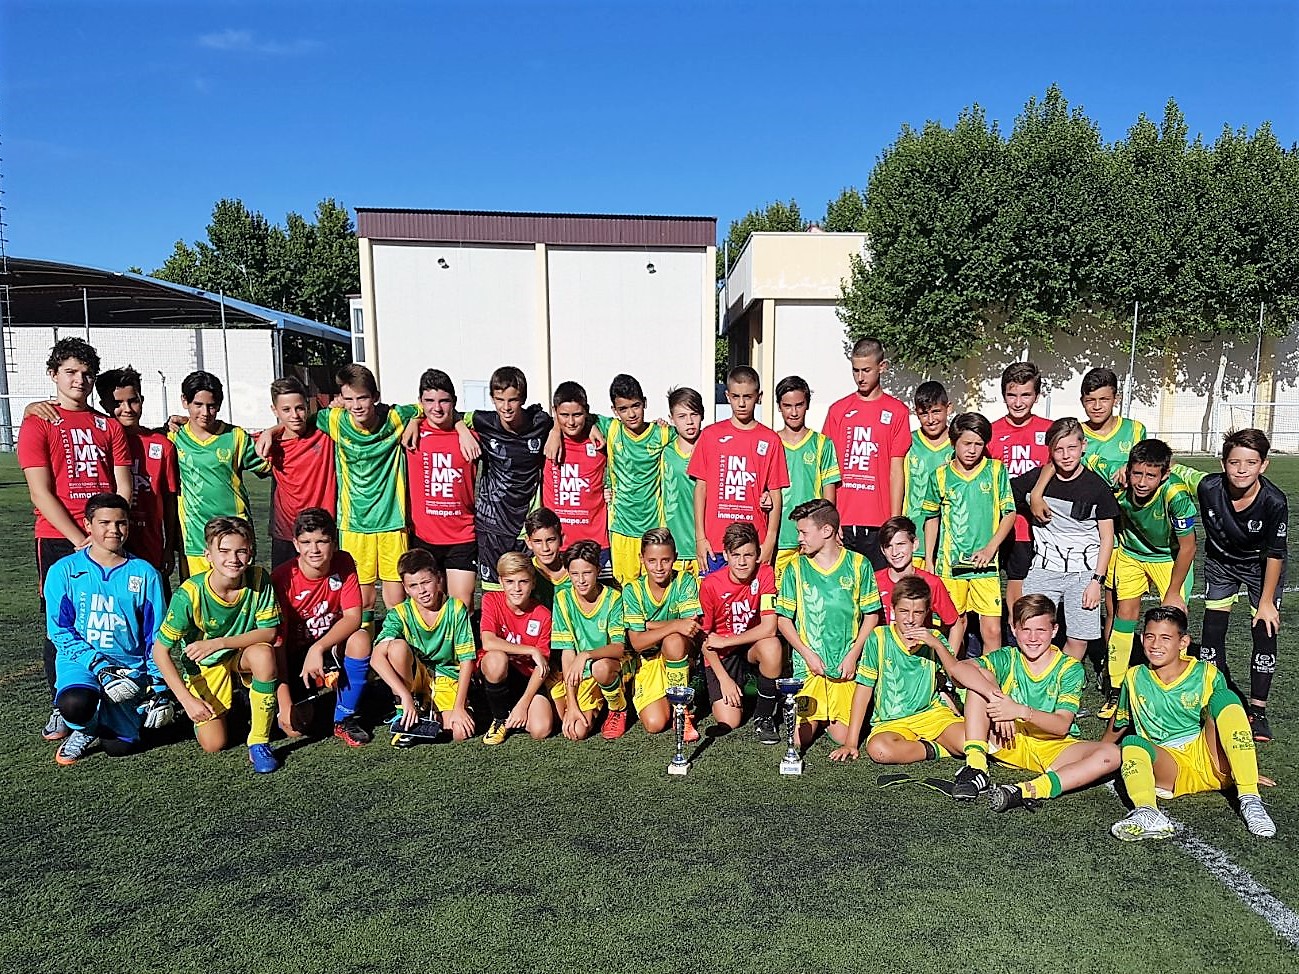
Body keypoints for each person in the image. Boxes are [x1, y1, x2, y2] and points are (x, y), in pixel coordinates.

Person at [19, 338, 132, 740]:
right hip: (58, 539)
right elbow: (39, 491)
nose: (79, 380)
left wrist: (110, 532)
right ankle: (60, 704)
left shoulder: (109, 426)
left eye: (86, 374)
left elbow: (122, 487)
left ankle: (125, 695)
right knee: (61, 623)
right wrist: (79, 539)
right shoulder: (38, 422)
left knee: (111, 618)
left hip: (107, 538)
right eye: (70, 372)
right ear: (54, 375)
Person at [1104, 606, 1276, 841]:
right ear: (1142, 638)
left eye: (1166, 638)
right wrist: (1100, 751)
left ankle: (1249, 799)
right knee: (1132, 742)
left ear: (1183, 642)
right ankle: (1147, 812)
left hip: (1210, 759)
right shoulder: (1133, 677)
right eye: (1150, 636)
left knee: (1225, 698)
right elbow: (1120, 720)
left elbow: (1230, 722)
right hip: (1170, 769)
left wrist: (1247, 768)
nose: (1155, 645)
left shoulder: (1207, 673)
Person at [937, 594, 1120, 809]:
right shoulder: (1008, 656)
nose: (1033, 638)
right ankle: (976, 767)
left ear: (1054, 631)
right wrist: (996, 696)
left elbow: (1061, 726)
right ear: (1014, 630)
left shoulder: (1069, 668)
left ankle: (1028, 789)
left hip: (1053, 746)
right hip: (1008, 738)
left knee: (1112, 755)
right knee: (980, 679)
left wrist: (1019, 711)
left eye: (1041, 630)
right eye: (1026, 630)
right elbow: (958, 670)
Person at [1175, 429, 1288, 742]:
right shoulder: (1208, 486)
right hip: (1221, 564)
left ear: (1263, 465)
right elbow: (1170, 466)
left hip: (1260, 568)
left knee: (1264, 631)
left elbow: (1276, 554)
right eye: (1234, 462)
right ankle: (1219, 699)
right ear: (1222, 463)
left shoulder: (1274, 501)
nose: (1242, 469)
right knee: (1212, 632)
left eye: (1251, 462)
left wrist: (1266, 602)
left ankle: (1258, 711)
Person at [293, 364, 422, 634]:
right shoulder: (334, 420)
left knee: (395, 597)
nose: (356, 405)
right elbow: (297, 422)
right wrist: (270, 432)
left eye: (362, 398)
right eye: (348, 399)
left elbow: (423, 407)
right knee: (361, 600)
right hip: (354, 524)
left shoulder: (396, 418)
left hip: (391, 522)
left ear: (375, 396)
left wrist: (415, 420)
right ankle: (364, 658)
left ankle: (397, 649)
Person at [44, 493, 170, 765]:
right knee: (75, 703)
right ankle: (83, 729)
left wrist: (159, 687)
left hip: (128, 669)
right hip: (82, 664)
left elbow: (155, 635)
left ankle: (119, 712)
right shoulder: (63, 570)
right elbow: (60, 631)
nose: (114, 530)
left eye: (121, 523)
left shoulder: (145, 573)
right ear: (88, 525)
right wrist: (100, 667)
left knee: (120, 748)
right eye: (105, 523)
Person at [151, 516, 283, 773]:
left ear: (251, 553)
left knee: (264, 656)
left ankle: (258, 742)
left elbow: (269, 632)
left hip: (239, 653)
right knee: (215, 744)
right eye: (223, 551)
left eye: (241, 551)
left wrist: (219, 643)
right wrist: (187, 700)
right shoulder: (189, 594)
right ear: (208, 555)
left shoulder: (258, 579)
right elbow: (160, 651)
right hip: (205, 666)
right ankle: (238, 701)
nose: (233, 559)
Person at [1090, 439, 1198, 719]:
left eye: (1151, 475)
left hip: (1168, 559)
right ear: (1128, 469)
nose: (1141, 481)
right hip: (1130, 554)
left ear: (1164, 475)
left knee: (1173, 618)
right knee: (1124, 616)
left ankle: (1175, 688)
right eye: (1137, 473)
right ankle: (1115, 690)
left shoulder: (1176, 495)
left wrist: (1174, 591)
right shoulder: (1118, 479)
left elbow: (1188, 547)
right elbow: (1085, 457)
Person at [776, 499, 881, 750]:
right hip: (810, 670)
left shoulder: (859, 564)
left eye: (803, 532)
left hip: (844, 670)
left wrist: (854, 655)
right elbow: (783, 621)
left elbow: (872, 616)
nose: (799, 538)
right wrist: (807, 654)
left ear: (826, 531)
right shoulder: (795, 567)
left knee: (844, 737)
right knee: (798, 739)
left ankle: (828, 713)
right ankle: (817, 712)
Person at [828, 575, 964, 765]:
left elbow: (958, 678)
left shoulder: (934, 638)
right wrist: (851, 743)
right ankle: (934, 748)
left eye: (917, 612)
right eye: (903, 611)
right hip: (891, 723)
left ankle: (933, 744)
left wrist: (939, 647)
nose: (910, 619)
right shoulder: (879, 637)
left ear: (926, 613)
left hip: (933, 716)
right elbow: (863, 689)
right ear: (893, 609)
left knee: (970, 741)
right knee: (879, 750)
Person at [1016, 417, 1119, 661]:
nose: (1065, 455)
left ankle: (1065, 678)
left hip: (1084, 574)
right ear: (1050, 451)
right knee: (1031, 627)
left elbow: (1107, 539)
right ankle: (1036, 677)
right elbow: (1003, 490)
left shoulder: (1097, 488)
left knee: (1078, 637)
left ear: (1083, 446)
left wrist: (1096, 581)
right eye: (1058, 449)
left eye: (1072, 448)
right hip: (1044, 567)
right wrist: (1038, 493)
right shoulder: (1035, 479)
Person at [271, 507, 372, 747]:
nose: (314, 549)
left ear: (334, 542)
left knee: (360, 639)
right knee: (296, 729)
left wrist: (317, 648)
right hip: (293, 657)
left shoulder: (344, 561)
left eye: (322, 541)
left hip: (326, 649)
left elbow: (353, 618)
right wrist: (285, 703)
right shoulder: (282, 579)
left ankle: (344, 718)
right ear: (296, 544)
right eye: (306, 542)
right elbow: (278, 644)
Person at [920, 412, 1016, 658]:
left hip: (986, 567)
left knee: (993, 630)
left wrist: (990, 549)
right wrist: (930, 560)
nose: (972, 450)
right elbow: (931, 518)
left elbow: (1009, 513)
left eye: (978, 444)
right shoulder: (940, 476)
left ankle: (990, 684)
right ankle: (951, 682)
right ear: (954, 442)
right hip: (951, 567)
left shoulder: (995, 471)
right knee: (954, 626)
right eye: (967, 443)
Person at [369, 548, 477, 745]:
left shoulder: (455, 608)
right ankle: (406, 709)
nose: (422, 591)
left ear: (438, 579)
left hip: (446, 676)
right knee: (396, 648)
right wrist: (404, 696)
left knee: (461, 732)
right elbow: (376, 657)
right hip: (415, 678)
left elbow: (467, 660)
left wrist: (460, 706)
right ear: (405, 587)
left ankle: (429, 717)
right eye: (414, 585)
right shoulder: (399, 613)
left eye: (426, 582)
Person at [690, 366, 790, 575]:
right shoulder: (710, 435)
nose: (742, 403)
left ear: (759, 397)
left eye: (748, 396)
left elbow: (775, 492)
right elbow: (701, 489)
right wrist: (700, 537)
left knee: (753, 607)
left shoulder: (770, 440)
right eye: (735, 396)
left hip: (754, 546)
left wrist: (770, 539)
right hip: (715, 546)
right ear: (727, 396)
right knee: (713, 605)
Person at [821, 337, 911, 569]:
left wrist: (894, 521)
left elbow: (896, 470)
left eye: (866, 370)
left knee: (880, 594)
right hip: (843, 522)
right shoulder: (838, 410)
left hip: (878, 524)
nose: (860, 377)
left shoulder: (897, 411)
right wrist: (829, 518)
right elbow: (827, 471)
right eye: (855, 370)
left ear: (882, 367)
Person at [170, 370, 270, 577]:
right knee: (199, 598)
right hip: (195, 535)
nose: (205, 412)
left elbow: (270, 465)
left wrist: (274, 430)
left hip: (236, 532)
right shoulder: (173, 438)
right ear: (184, 401)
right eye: (198, 405)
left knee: (239, 595)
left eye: (211, 406)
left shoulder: (236, 437)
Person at [462, 366, 554, 590]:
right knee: (495, 592)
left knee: (527, 590)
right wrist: (461, 430)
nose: (506, 407)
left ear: (522, 398)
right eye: (500, 399)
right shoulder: (482, 420)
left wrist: (556, 432)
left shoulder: (540, 423)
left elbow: (565, 417)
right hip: (492, 522)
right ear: (492, 399)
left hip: (526, 523)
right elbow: (451, 416)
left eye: (512, 400)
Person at [91, 367, 180, 583]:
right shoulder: (97, 442)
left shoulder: (162, 445)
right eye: (117, 404)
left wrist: (169, 548)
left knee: (154, 613)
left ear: (142, 399)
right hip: (108, 551)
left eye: (133, 400)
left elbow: (169, 502)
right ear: (104, 406)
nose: (127, 409)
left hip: (150, 550)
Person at [698, 522, 782, 742]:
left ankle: (764, 715)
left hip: (748, 644)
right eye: (736, 555)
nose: (742, 562)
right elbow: (704, 639)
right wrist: (724, 679)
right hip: (720, 654)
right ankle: (720, 686)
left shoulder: (765, 574)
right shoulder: (710, 585)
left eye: (748, 554)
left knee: (772, 646)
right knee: (730, 721)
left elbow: (769, 627)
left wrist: (727, 641)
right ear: (725, 555)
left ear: (758, 554)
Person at [406, 369, 478, 608]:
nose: (437, 408)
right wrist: (414, 420)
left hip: (461, 535)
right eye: (429, 401)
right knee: (428, 604)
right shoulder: (410, 434)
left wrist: (460, 426)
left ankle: (461, 646)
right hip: (424, 536)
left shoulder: (471, 435)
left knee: (461, 606)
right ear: (420, 403)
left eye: (444, 401)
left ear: (454, 402)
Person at [621, 528, 702, 739]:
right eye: (652, 560)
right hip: (647, 661)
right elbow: (637, 642)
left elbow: (691, 627)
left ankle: (680, 708)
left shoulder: (684, 581)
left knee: (673, 640)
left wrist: (648, 624)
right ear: (641, 559)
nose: (658, 567)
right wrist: (675, 623)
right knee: (655, 724)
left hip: (679, 653)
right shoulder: (633, 590)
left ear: (675, 557)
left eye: (665, 560)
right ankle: (669, 697)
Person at [597, 373, 674, 585]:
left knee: (657, 584)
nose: (631, 414)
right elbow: (574, 413)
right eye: (623, 409)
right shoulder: (611, 429)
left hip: (654, 526)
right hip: (621, 527)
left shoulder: (663, 434)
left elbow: (693, 437)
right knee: (627, 589)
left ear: (645, 403)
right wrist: (556, 432)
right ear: (614, 411)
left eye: (636, 406)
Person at [988, 362, 1053, 610]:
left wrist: (1036, 493)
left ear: (1036, 396)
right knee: (991, 584)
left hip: (1033, 527)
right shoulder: (991, 432)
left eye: (1025, 395)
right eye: (1011, 395)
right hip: (997, 526)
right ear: (1003, 394)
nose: (1018, 402)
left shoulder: (1049, 430)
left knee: (1028, 587)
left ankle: (1027, 636)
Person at [550, 541, 629, 741]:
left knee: (600, 668)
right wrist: (572, 704)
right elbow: (567, 652)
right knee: (574, 731)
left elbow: (619, 648)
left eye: (587, 573)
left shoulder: (613, 598)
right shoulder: (562, 599)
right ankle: (588, 706)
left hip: (606, 666)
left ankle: (618, 708)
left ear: (598, 571)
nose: (581, 580)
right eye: (575, 574)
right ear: (568, 573)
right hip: (576, 675)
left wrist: (586, 655)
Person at [478, 552, 556, 745]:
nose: (517, 588)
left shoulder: (543, 615)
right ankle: (500, 718)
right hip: (500, 671)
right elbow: (488, 641)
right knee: (497, 659)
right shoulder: (491, 600)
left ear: (533, 583)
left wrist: (524, 704)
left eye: (523, 582)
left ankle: (513, 711)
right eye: (510, 582)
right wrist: (531, 650)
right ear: (501, 582)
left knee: (541, 729)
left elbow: (542, 667)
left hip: (528, 679)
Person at [262, 376, 337, 571]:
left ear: (308, 405)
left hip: (322, 531)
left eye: (299, 408)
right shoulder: (269, 444)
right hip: (286, 532)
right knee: (283, 592)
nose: (294, 415)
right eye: (286, 410)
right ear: (274, 410)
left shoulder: (324, 432)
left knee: (328, 591)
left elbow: (353, 402)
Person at [773, 375, 840, 586]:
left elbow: (829, 496)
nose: (793, 412)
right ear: (779, 407)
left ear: (807, 404)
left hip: (814, 539)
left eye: (799, 405)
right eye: (787, 406)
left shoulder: (822, 444)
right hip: (780, 538)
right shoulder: (770, 442)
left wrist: (829, 529)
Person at [542, 381, 610, 573]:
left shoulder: (601, 439)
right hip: (557, 544)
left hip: (597, 543)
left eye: (577, 415)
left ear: (587, 412)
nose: (571, 422)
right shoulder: (545, 438)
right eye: (564, 415)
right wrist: (555, 429)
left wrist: (591, 424)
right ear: (555, 412)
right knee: (558, 601)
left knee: (598, 600)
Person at [874, 516, 959, 636]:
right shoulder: (873, 581)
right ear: (882, 550)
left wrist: (947, 654)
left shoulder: (932, 583)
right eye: (889, 546)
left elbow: (955, 624)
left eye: (901, 544)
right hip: (883, 652)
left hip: (919, 651)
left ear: (914, 544)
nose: (895, 552)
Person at [661, 386, 705, 577]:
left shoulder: (712, 446)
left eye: (694, 414)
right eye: (682, 416)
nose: (689, 422)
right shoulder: (664, 451)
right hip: (675, 547)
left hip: (705, 546)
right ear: (671, 418)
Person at [1079, 367, 1147, 479]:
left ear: (1116, 399)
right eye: (1090, 400)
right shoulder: (1074, 434)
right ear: (1082, 402)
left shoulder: (1135, 430)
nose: (1097, 407)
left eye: (1104, 399)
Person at [903, 380, 952, 530]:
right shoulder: (908, 442)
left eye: (936, 412)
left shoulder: (960, 444)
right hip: (913, 531)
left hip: (950, 534)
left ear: (948, 408)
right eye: (924, 414)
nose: (930, 420)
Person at [523, 507, 570, 610]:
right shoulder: (525, 572)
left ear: (561, 539)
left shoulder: (577, 570)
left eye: (551, 540)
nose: (545, 548)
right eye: (537, 541)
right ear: (528, 542)